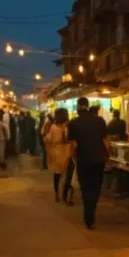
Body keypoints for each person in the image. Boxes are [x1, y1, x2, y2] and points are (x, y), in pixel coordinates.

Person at [68, 97, 109, 229]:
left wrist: (73, 160)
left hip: (83, 160)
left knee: (85, 188)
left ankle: (88, 217)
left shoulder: (74, 123)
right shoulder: (99, 121)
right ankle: (92, 213)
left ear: (77, 107)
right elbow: (105, 142)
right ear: (88, 105)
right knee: (96, 188)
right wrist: (107, 155)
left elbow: (73, 145)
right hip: (98, 160)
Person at [45, 109, 73, 202]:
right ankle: (66, 195)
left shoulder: (53, 127)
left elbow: (48, 138)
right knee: (68, 175)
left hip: (57, 152)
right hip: (67, 152)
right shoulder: (68, 126)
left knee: (57, 175)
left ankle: (57, 193)